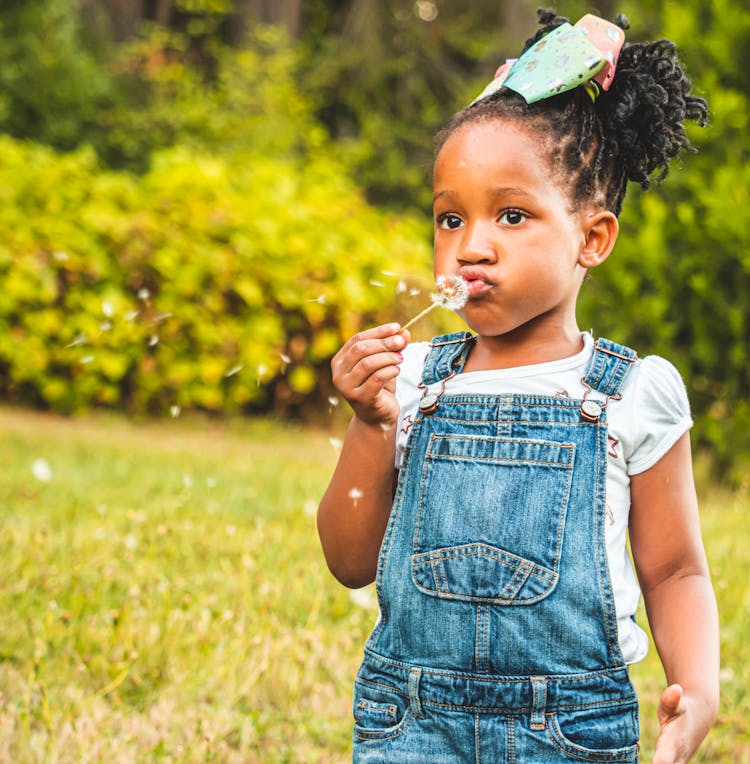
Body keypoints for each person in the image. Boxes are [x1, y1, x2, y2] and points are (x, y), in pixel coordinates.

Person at [317, 10, 719, 763]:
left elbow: (675, 567)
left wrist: (697, 684)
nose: (470, 246)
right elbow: (347, 561)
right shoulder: (412, 380)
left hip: (570, 731)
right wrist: (371, 426)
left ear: (591, 238)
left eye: (511, 215)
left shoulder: (631, 393)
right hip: (411, 724)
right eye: (448, 219)